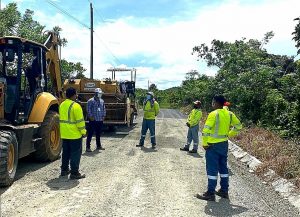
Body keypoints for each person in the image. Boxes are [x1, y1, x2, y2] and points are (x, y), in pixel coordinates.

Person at [196, 95, 242, 201]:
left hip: (212, 146)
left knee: (212, 169)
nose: (212, 104)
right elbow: (238, 126)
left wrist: (205, 143)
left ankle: (210, 193)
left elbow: (206, 130)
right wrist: (228, 134)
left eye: (213, 102)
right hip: (224, 144)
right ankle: (224, 191)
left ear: (216, 103)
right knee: (223, 168)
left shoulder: (213, 114)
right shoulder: (230, 114)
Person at [59, 87, 86, 179]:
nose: (77, 95)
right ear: (74, 95)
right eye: (76, 94)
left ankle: (64, 170)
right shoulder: (76, 106)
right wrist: (83, 132)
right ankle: (74, 173)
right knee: (75, 154)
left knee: (65, 152)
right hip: (74, 135)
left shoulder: (62, 104)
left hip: (64, 134)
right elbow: (80, 122)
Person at [86, 88, 106, 152]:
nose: (100, 95)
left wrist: (103, 116)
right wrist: (91, 117)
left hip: (100, 120)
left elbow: (104, 109)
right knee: (90, 133)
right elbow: (88, 110)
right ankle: (88, 147)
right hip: (93, 120)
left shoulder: (102, 101)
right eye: (99, 93)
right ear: (95, 93)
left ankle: (98, 146)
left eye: (101, 93)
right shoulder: (90, 101)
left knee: (98, 133)